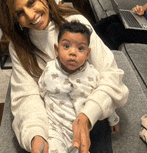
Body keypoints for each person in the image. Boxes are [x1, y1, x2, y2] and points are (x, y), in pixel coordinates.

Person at [0, 0, 129, 153]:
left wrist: (88, 116)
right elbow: (27, 96)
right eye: (20, 13)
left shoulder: (76, 24)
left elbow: (109, 74)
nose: (30, 15)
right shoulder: (18, 47)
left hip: (90, 110)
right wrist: (36, 135)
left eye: (31, 3)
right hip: (54, 120)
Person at [38, 20, 120, 153]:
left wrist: (113, 119)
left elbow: (104, 99)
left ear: (88, 54)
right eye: (66, 46)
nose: (73, 53)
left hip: (81, 129)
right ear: (56, 50)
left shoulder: (93, 74)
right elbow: (40, 91)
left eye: (80, 48)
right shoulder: (49, 70)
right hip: (55, 128)